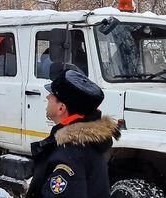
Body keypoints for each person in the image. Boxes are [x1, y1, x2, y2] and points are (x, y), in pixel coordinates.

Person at [26, 70, 121, 198]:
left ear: (61, 108)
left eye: (52, 94)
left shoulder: (69, 156)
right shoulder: (85, 144)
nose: (47, 97)